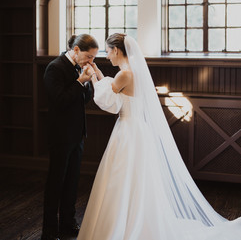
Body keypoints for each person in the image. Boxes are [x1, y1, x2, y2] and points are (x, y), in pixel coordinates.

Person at [77, 33, 241, 240]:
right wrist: (98, 74)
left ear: (117, 50)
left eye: (108, 52)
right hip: (137, 129)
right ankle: (134, 218)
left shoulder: (124, 75)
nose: (107, 56)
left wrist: (91, 76)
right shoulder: (130, 73)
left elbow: (108, 102)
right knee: (137, 179)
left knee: (123, 178)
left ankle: (124, 225)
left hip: (128, 131)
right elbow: (114, 93)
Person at [41, 34, 99, 240]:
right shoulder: (54, 68)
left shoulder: (79, 67)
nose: (91, 61)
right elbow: (59, 100)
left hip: (77, 134)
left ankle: (68, 223)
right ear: (75, 50)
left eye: (93, 58)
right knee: (56, 182)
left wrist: (87, 81)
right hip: (60, 135)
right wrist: (79, 81)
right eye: (89, 56)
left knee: (72, 182)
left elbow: (85, 99)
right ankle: (49, 231)